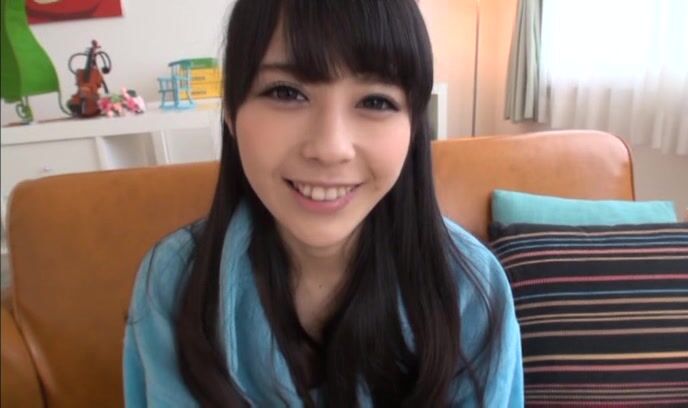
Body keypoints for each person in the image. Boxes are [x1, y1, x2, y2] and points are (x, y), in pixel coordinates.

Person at [123, 0, 523, 406]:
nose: (331, 148)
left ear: (415, 125)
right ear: (230, 111)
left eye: (376, 101)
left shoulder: (470, 289)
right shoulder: (175, 280)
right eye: (286, 92)